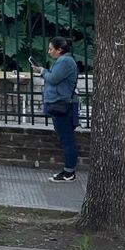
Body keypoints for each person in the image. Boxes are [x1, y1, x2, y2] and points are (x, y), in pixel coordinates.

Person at [35, 37, 80, 183]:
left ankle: (69, 172)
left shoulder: (65, 61)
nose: (49, 52)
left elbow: (53, 79)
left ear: (59, 49)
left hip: (63, 103)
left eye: (51, 49)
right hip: (61, 102)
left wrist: (42, 71)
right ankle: (68, 170)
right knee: (65, 138)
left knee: (67, 139)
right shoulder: (63, 61)